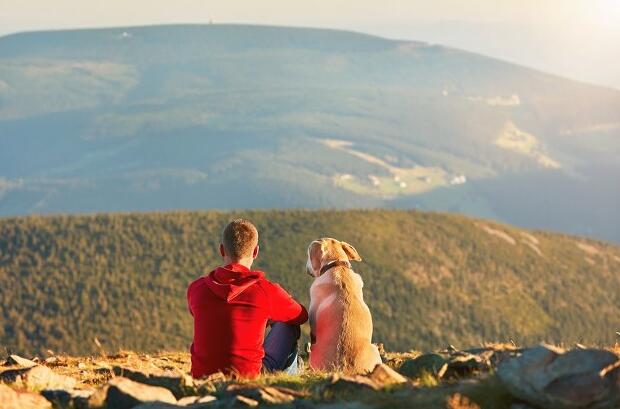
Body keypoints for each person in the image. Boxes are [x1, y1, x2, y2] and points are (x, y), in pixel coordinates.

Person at [187, 218, 308, 378]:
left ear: (222, 250)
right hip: (249, 377)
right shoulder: (266, 290)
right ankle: (290, 378)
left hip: (202, 376)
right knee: (288, 324)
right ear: (256, 252)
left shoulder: (197, 289)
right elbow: (301, 315)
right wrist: (268, 317)